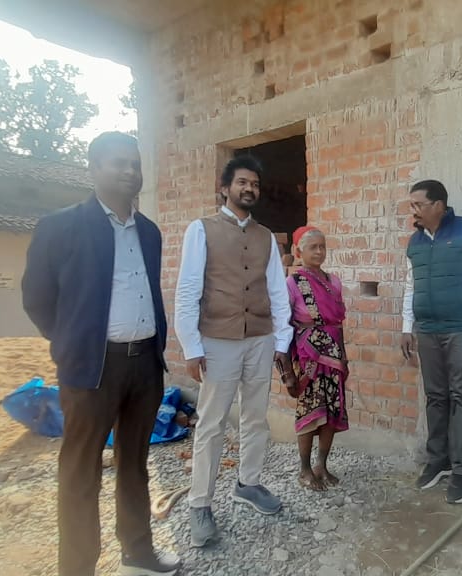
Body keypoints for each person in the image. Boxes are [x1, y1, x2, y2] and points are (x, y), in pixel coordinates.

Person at [22, 132, 180, 576]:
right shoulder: (61, 227)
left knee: (135, 463)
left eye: (135, 163)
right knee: (80, 473)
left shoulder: (148, 232)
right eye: (118, 162)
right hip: (91, 367)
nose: (130, 170)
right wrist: (71, 343)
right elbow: (36, 298)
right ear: (93, 168)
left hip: (145, 365)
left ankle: (138, 551)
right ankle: (77, 569)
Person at [173, 155, 295, 548]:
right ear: (225, 188)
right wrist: (192, 346)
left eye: (254, 184)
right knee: (211, 423)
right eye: (242, 182)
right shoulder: (202, 230)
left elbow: (277, 290)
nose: (249, 189)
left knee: (256, 417)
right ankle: (199, 504)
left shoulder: (265, 237)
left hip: (259, 338)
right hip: (218, 340)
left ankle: (249, 483)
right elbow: (188, 289)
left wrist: (281, 340)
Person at [400, 179, 462, 505]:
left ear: (439, 206)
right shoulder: (415, 242)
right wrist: (407, 327)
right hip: (428, 329)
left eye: (418, 204)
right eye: (411, 205)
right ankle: (438, 460)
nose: (413, 211)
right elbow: (411, 286)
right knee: (435, 396)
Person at [285, 225, 349, 491]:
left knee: (332, 411)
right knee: (310, 412)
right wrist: (287, 371)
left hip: (333, 357)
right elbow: (283, 327)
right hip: (308, 359)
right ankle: (304, 470)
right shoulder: (293, 283)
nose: (319, 252)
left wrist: (344, 357)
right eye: (313, 247)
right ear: (298, 251)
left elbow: (338, 324)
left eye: (322, 246)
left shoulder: (334, 282)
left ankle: (322, 465)